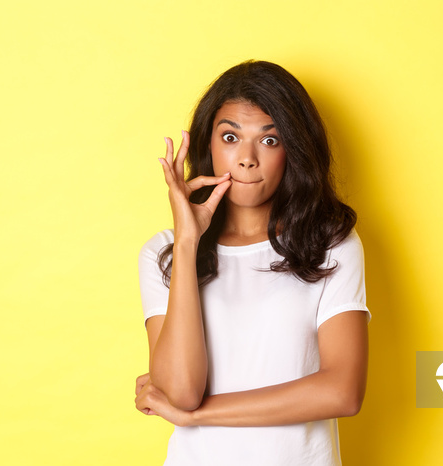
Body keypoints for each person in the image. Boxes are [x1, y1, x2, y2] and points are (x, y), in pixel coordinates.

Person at [135, 60, 370, 466]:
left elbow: (343, 391)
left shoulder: (329, 244)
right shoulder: (166, 254)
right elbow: (180, 393)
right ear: (209, 144)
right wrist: (188, 242)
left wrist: (200, 415)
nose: (246, 159)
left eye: (269, 140)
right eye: (230, 136)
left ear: (293, 150)